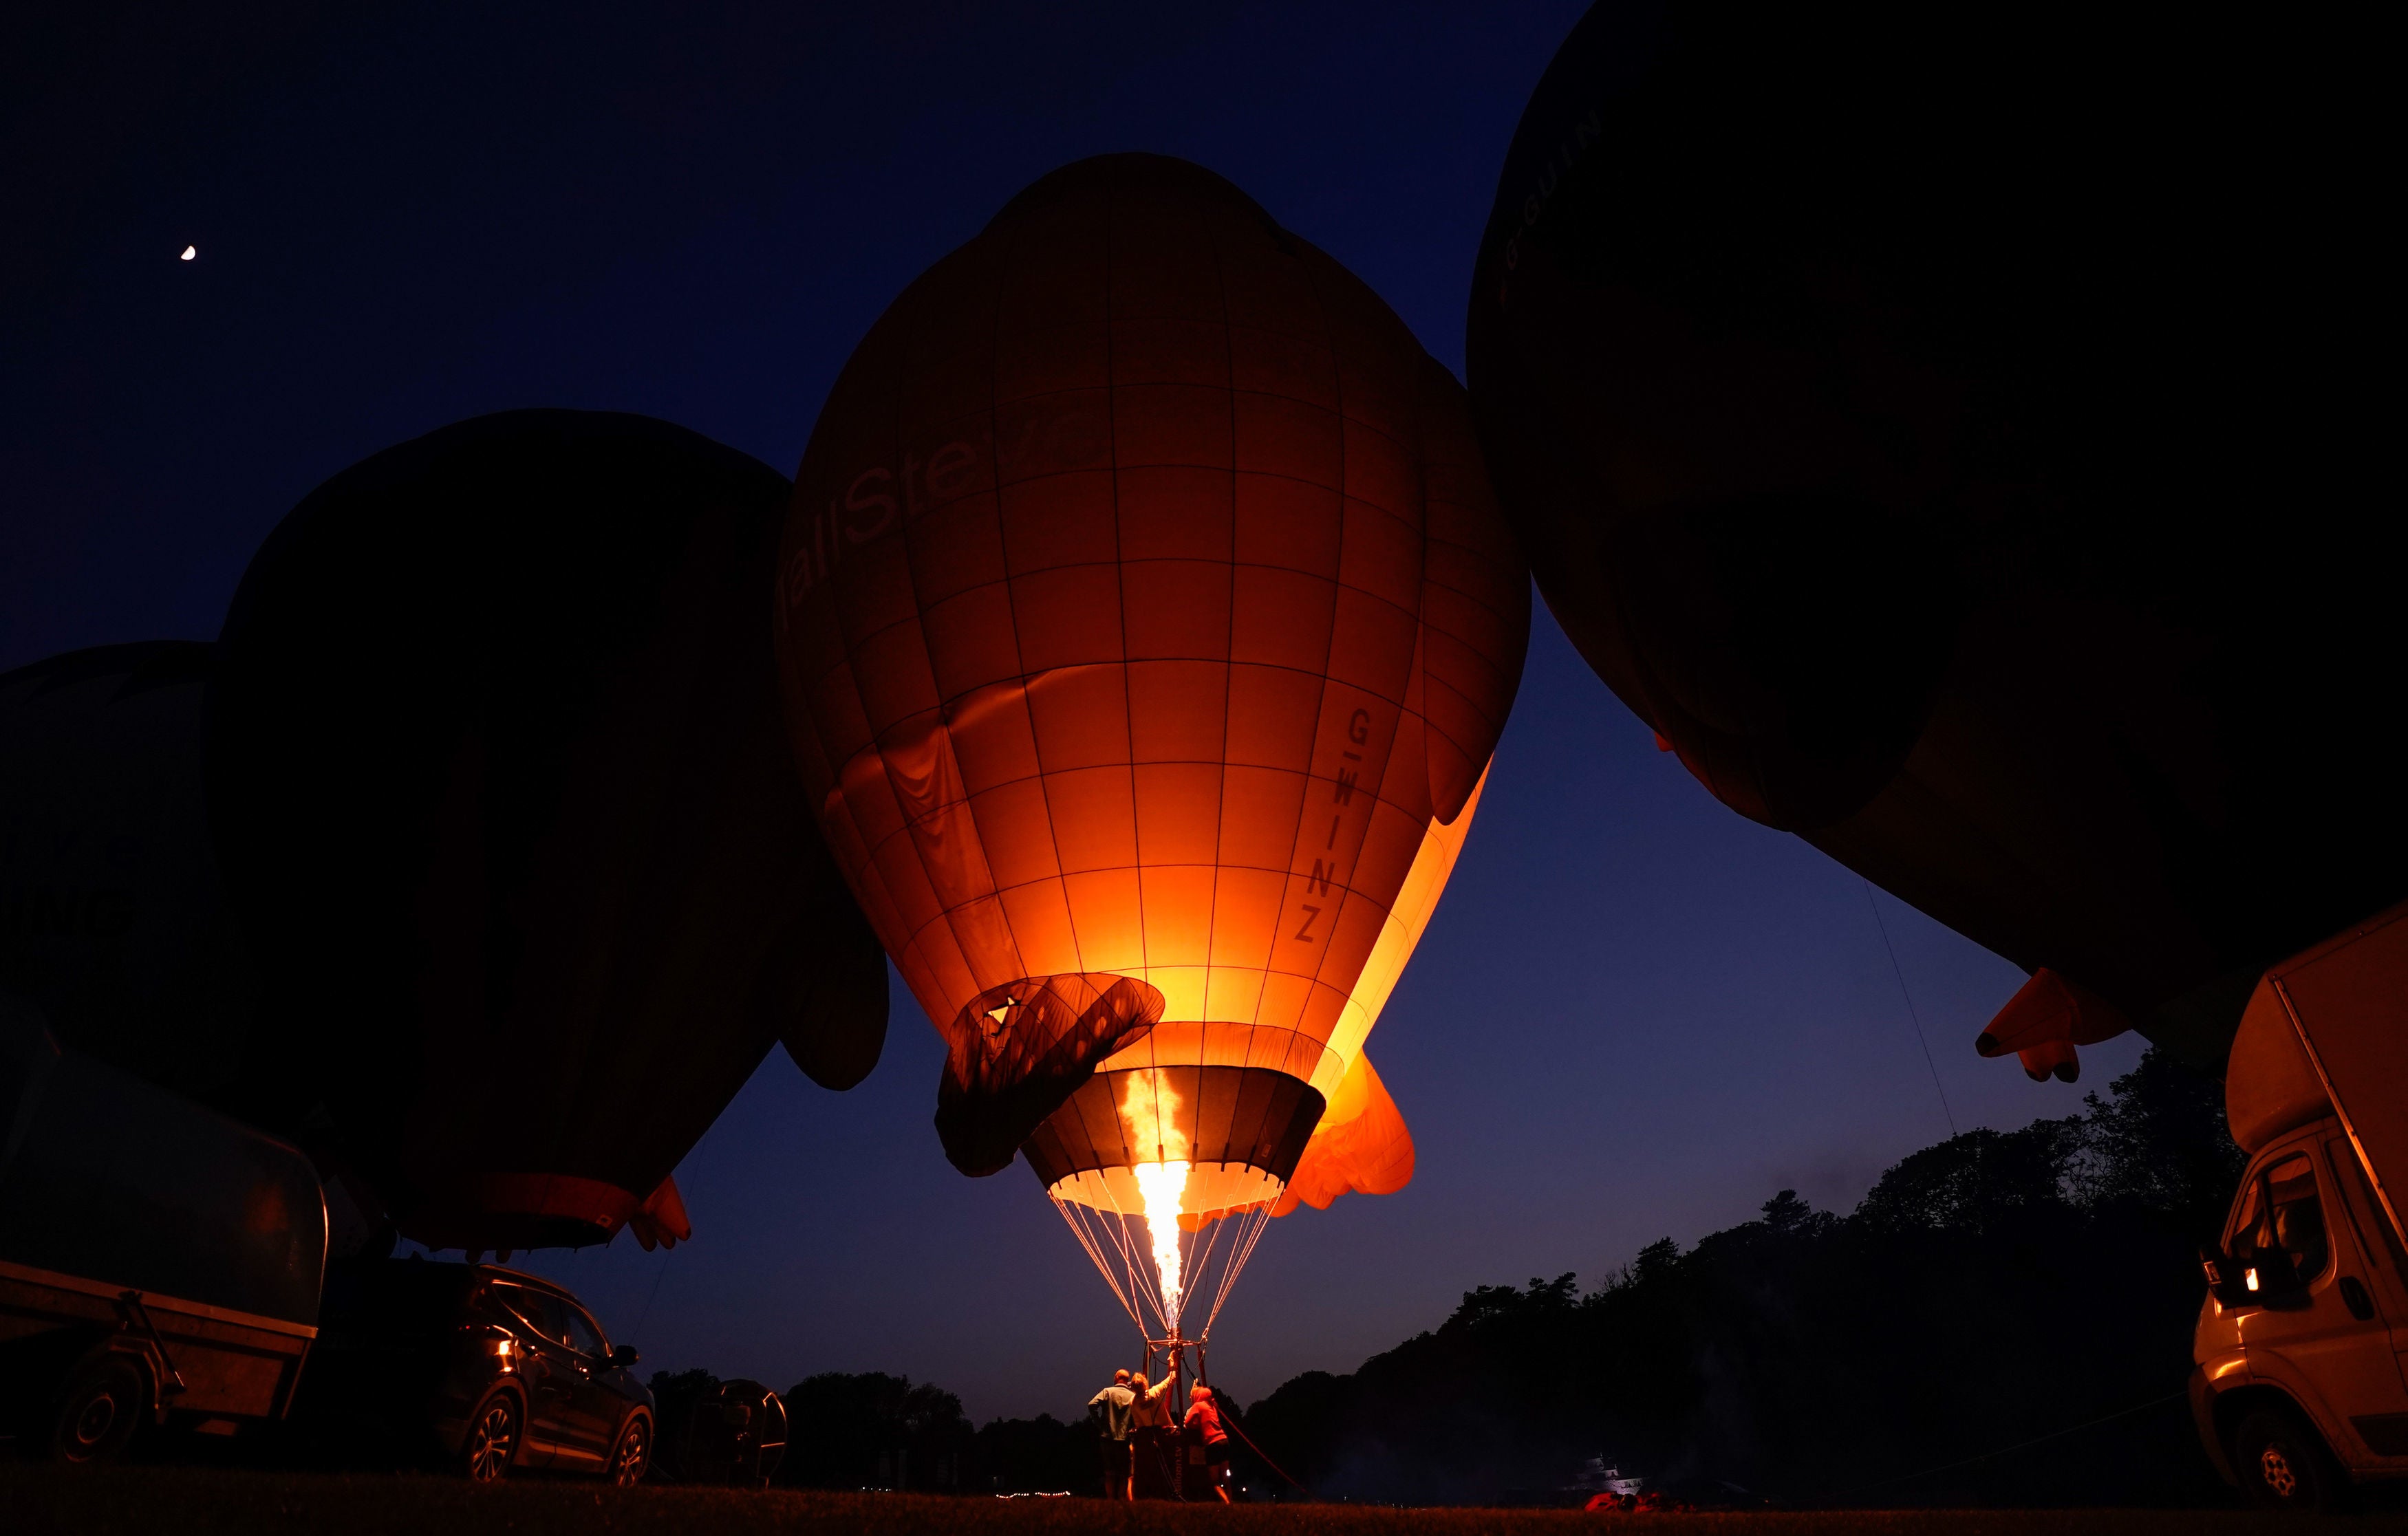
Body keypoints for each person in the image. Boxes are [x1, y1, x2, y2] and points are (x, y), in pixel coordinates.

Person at [1128, 1367, 1179, 1497]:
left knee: (1149, 1469)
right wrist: (1173, 1365)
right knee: (1167, 1466)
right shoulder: (1154, 1392)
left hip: (1146, 1438)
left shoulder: (1133, 1402)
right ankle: (1168, 1492)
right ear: (1145, 1383)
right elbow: (1172, 1378)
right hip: (1164, 1435)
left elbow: (1138, 1423)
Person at [1086, 1368, 1136, 1499]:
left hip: (1107, 1438)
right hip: (1124, 1440)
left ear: (1116, 1378)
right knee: (1123, 1474)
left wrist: (1099, 1424)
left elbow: (1091, 1405)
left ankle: (1110, 1500)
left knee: (1109, 1473)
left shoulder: (1107, 1392)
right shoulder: (1132, 1396)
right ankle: (1120, 1501)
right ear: (1127, 1380)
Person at [1182, 1383, 1233, 1503]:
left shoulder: (1198, 1406)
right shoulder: (1213, 1406)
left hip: (1212, 1444)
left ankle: (1226, 1504)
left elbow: (1187, 1423)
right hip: (1224, 1440)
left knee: (1214, 1481)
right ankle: (1231, 1501)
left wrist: (1197, 1426)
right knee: (1225, 1478)